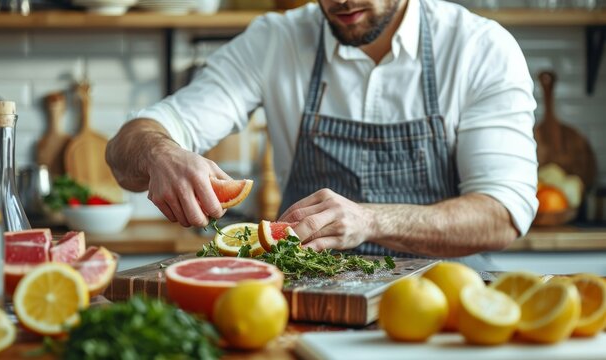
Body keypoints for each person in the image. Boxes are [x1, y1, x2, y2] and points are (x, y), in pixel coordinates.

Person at [106, 0, 538, 261]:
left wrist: (369, 221)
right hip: (309, 302)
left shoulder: (479, 48)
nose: (342, 2)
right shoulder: (277, 40)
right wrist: (159, 152)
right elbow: (133, 143)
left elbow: (503, 213)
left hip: (444, 307)